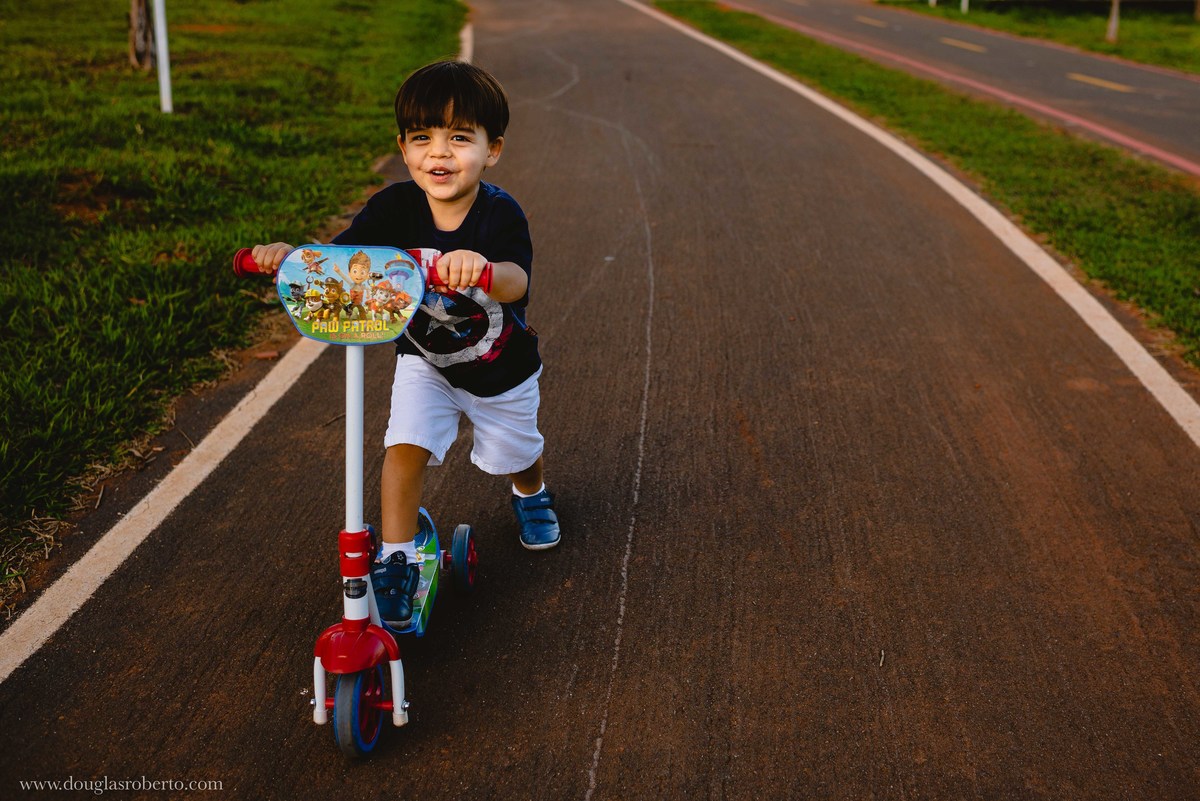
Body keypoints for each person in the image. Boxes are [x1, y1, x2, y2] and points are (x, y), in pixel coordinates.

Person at [247, 60, 559, 629]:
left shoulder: (498, 212)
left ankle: (530, 488)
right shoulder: (395, 208)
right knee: (403, 446)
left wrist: (483, 269)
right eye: (423, 139)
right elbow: (341, 260)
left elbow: (519, 279)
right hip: (427, 361)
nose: (439, 153)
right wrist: (290, 256)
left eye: (459, 138)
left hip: (500, 366)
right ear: (403, 147)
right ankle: (398, 557)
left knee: (515, 449)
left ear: (492, 150)